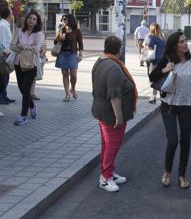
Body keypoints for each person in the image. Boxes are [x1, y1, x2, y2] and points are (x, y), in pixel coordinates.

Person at [149, 31, 191, 189]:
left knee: (185, 141)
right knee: (173, 140)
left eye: (185, 41)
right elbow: (152, 77)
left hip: (187, 105)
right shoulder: (167, 59)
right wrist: (165, 69)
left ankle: (182, 175)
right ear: (175, 45)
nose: (185, 44)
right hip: (169, 105)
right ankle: (167, 172)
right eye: (182, 42)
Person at [91, 36, 137, 192]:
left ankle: (108, 172)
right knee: (112, 145)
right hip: (111, 115)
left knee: (107, 144)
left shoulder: (101, 61)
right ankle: (105, 178)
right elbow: (114, 95)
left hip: (101, 110)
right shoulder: (114, 68)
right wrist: (119, 116)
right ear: (119, 49)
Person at [10, 11, 44, 125]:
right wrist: (28, 47)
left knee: (26, 89)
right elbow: (12, 46)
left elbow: (37, 49)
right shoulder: (19, 31)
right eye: (30, 18)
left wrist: (22, 46)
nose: (31, 20)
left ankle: (23, 115)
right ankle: (33, 107)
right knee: (21, 88)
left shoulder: (38, 34)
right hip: (18, 63)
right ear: (26, 19)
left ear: (37, 22)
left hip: (31, 64)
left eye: (34, 19)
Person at [54, 14, 83, 101]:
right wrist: (60, 39)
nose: (63, 21)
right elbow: (55, 42)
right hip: (62, 54)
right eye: (62, 19)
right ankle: (67, 94)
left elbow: (80, 43)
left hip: (72, 54)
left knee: (73, 75)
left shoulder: (77, 31)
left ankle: (73, 89)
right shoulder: (61, 29)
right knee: (65, 74)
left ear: (70, 20)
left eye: (65, 19)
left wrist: (80, 55)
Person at [144, 23, 166, 104]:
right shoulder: (163, 38)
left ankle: (153, 97)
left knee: (153, 78)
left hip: (154, 61)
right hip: (163, 61)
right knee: (161, 77)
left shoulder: (151, 37)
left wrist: (145, 46)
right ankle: (162, 95)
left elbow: (149, 47)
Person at [0, 5, 14, 106]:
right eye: (11, 13)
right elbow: (2, 43)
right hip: (3, 57)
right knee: (3, 78)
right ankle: (1, 97)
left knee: (6, 77)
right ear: (9, 15)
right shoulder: (2, 26)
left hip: (7, 56)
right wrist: (4, 55)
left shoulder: (5, 25)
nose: (12, 14)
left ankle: (4, 96)